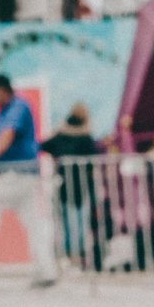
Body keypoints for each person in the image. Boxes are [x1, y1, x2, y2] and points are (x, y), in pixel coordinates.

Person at [0, 73, 55, 284]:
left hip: (18, 174)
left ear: (1, 89)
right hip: (17, 176)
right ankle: (46, 271)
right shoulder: (3, 111)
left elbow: (7, 135)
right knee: (33, 223)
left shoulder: (18, 107)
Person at [42, 101, 100, 268]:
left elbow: (44, 145)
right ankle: (76, 257)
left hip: (64, 185)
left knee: (68, 224)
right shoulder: (86, 138)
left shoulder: (61, 136)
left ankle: (69, 256)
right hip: (82, 187)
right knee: (79, 223)